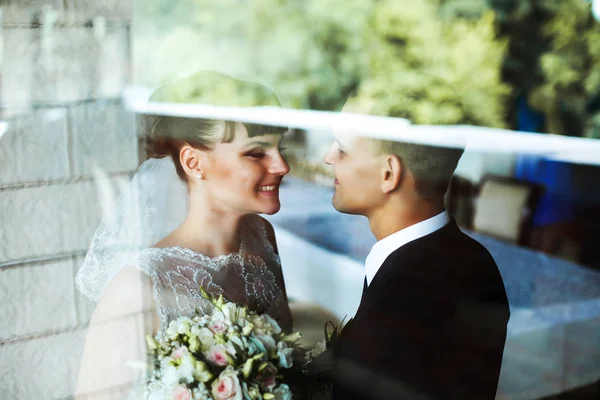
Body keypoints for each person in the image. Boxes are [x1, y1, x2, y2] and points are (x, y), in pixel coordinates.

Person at [74, 71, 293, 398]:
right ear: (194, 162)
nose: (282, 165)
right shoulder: (139, 284)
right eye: (257, 153)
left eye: (280, 148)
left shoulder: (262, 238)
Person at [318, 94, 510, 400]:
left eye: (342, 149)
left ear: (388, 174)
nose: (328, 157)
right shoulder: (473, 260)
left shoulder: (406, 301)